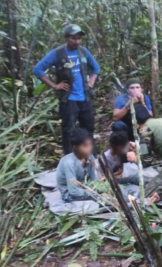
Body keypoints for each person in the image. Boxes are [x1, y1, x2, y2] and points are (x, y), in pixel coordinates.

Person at [33, 24, 100, 155]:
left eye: (79, 38)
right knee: (68, 130)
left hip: (85, 98)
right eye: (73, 38)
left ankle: (92, 157)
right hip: (69, 99)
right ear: (65, 37)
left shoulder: (83, 52)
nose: (77, 41)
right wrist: (54, 85)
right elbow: (37, 70)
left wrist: (90, 83)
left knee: (88, 129)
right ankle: (70, 158)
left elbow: (95, 68)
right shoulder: (57, 53)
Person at [56, 128, 99, 202]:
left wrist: (97, 188)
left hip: (84, 187)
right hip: (69, 193)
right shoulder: (69, 163)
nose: (89, 148)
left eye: (90, 145)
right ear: (75, 147)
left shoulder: (90, 157)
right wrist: (92, 193)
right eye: (85, 146)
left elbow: (94, 179)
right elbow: (73, 191)